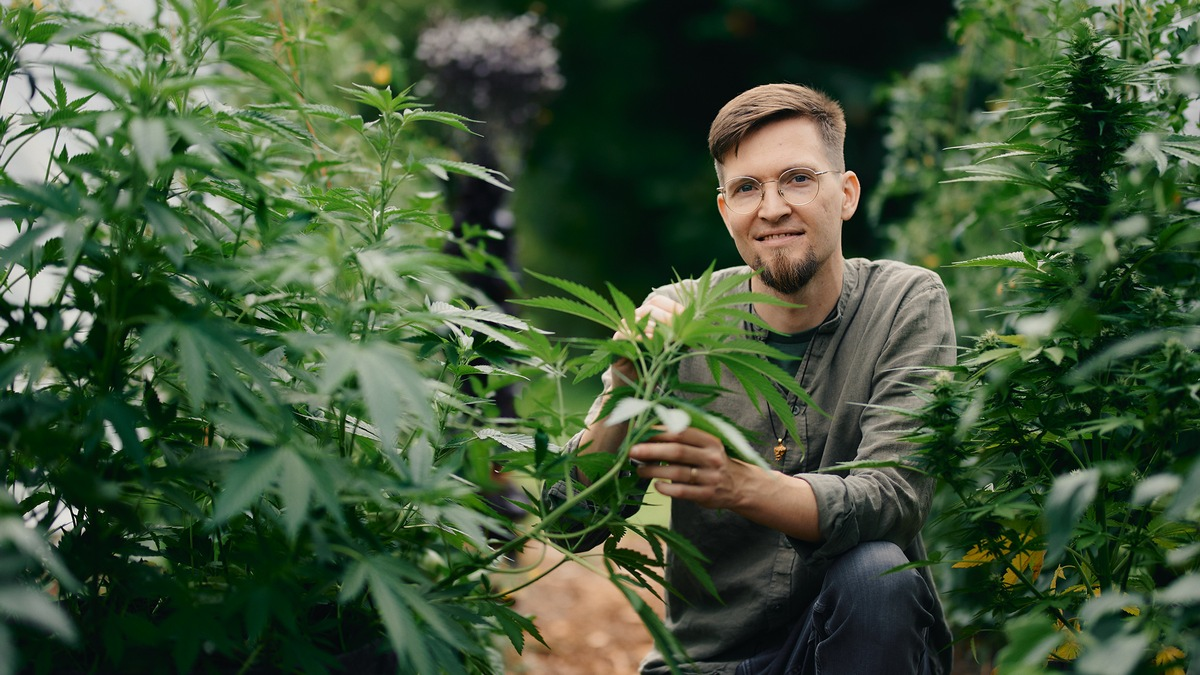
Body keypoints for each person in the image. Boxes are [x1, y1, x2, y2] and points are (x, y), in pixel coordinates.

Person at [546, 83, 956, 674]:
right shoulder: (676, 318)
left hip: (858, 645)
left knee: (877, 574)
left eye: (796, 178)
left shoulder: (905, 301)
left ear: (845, 194)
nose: (771, 208)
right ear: (725, 211)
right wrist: (625, 393)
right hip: (709, 663)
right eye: (747, 188)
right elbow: (570, 525)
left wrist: (740, 485)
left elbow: (893, 497)